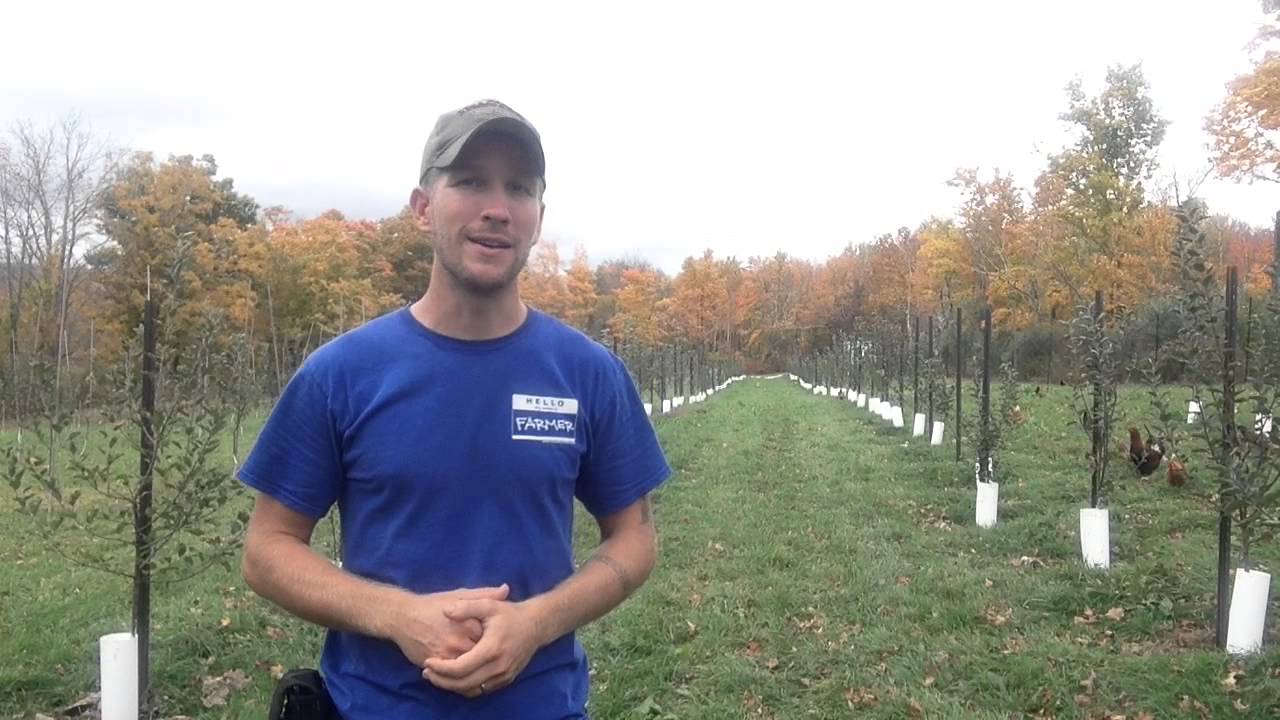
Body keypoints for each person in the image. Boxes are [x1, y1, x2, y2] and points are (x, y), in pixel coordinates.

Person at [239, 99, 671, 718]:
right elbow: (267, 549)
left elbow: (634, 539)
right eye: (470, 182)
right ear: (423, 208)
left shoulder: (587, 374)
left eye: (518, 188)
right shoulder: (342, 374)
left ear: (538, 218)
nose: (497, 208)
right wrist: (397, 616)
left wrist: (536, 623)